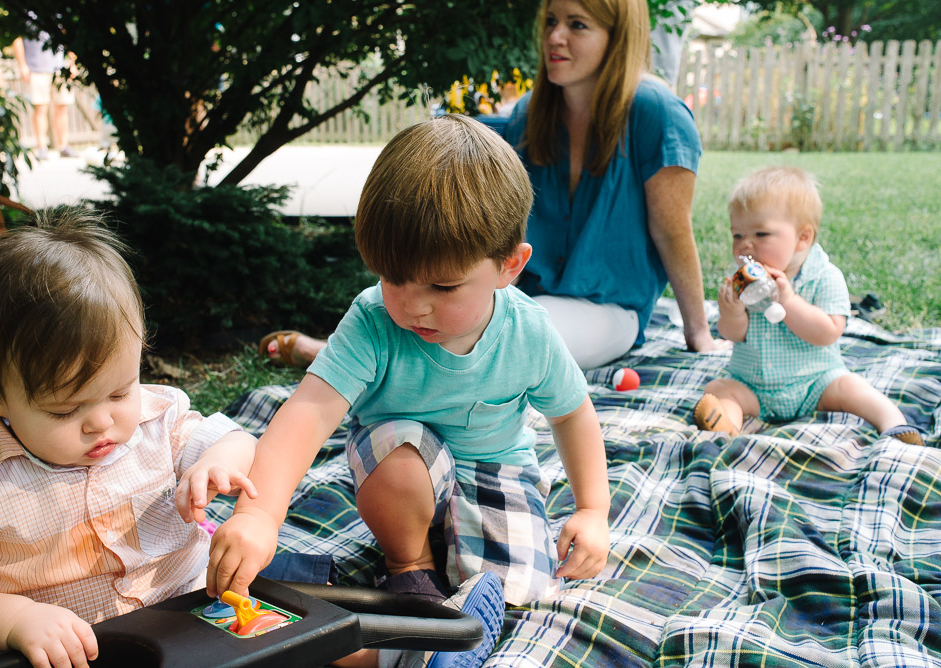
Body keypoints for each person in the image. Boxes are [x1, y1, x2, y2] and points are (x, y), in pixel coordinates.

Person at [211, 115, 611, 667]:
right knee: (401, 452)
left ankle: (458, 621)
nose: (412, 304)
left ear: (509, 266)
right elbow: (307, 414)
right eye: (391, 278)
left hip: (494, 469)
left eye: (442, 286)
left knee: (526, 585)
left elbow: (573, 415)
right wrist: (259, 516)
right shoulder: (374, 322)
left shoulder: (529, 332)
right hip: (398, 463)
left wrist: (593, 508)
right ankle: (409, 570)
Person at [258, 0, 724, 371]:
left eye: (578, 25)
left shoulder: (656, 114)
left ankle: (331, 359)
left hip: (608, 309)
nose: (554, 37)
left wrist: (697, 332)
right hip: (519, 291)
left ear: (617, 36)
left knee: (508, 338)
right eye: (551, 21)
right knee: (431, 305)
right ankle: (343, 358)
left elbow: (672, 230)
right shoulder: (531, 112)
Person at [0, 210, 263, 667]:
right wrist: (14, 620)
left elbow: (236, 440)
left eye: (118, 391)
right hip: (74, 654)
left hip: (194, 622)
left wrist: (217, 461)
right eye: (65, 409)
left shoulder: (157, 421)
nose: (100, 422)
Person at [692, 166, 924, 446]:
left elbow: (828, 332)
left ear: (803, 237)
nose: (745, 245)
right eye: (737, 235)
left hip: (816, 383)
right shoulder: (745, 283)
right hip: (752, 384)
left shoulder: (825, 277)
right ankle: (726, 430)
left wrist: (788, 301)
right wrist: (731, 312)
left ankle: (895, 425)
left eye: (761, 234)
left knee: (851, 386)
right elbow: (732, 334)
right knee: (719, 389)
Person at [12, 34, 78, 160]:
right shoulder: (27, 16)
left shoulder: (58, 15)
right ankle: (42, 147)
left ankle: (63, 146)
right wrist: (22, 65)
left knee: (62, 107)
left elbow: (67, 36)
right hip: (36, 68)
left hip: (60, 68)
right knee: (40, 108)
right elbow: (18, 39)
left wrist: (72, 63)